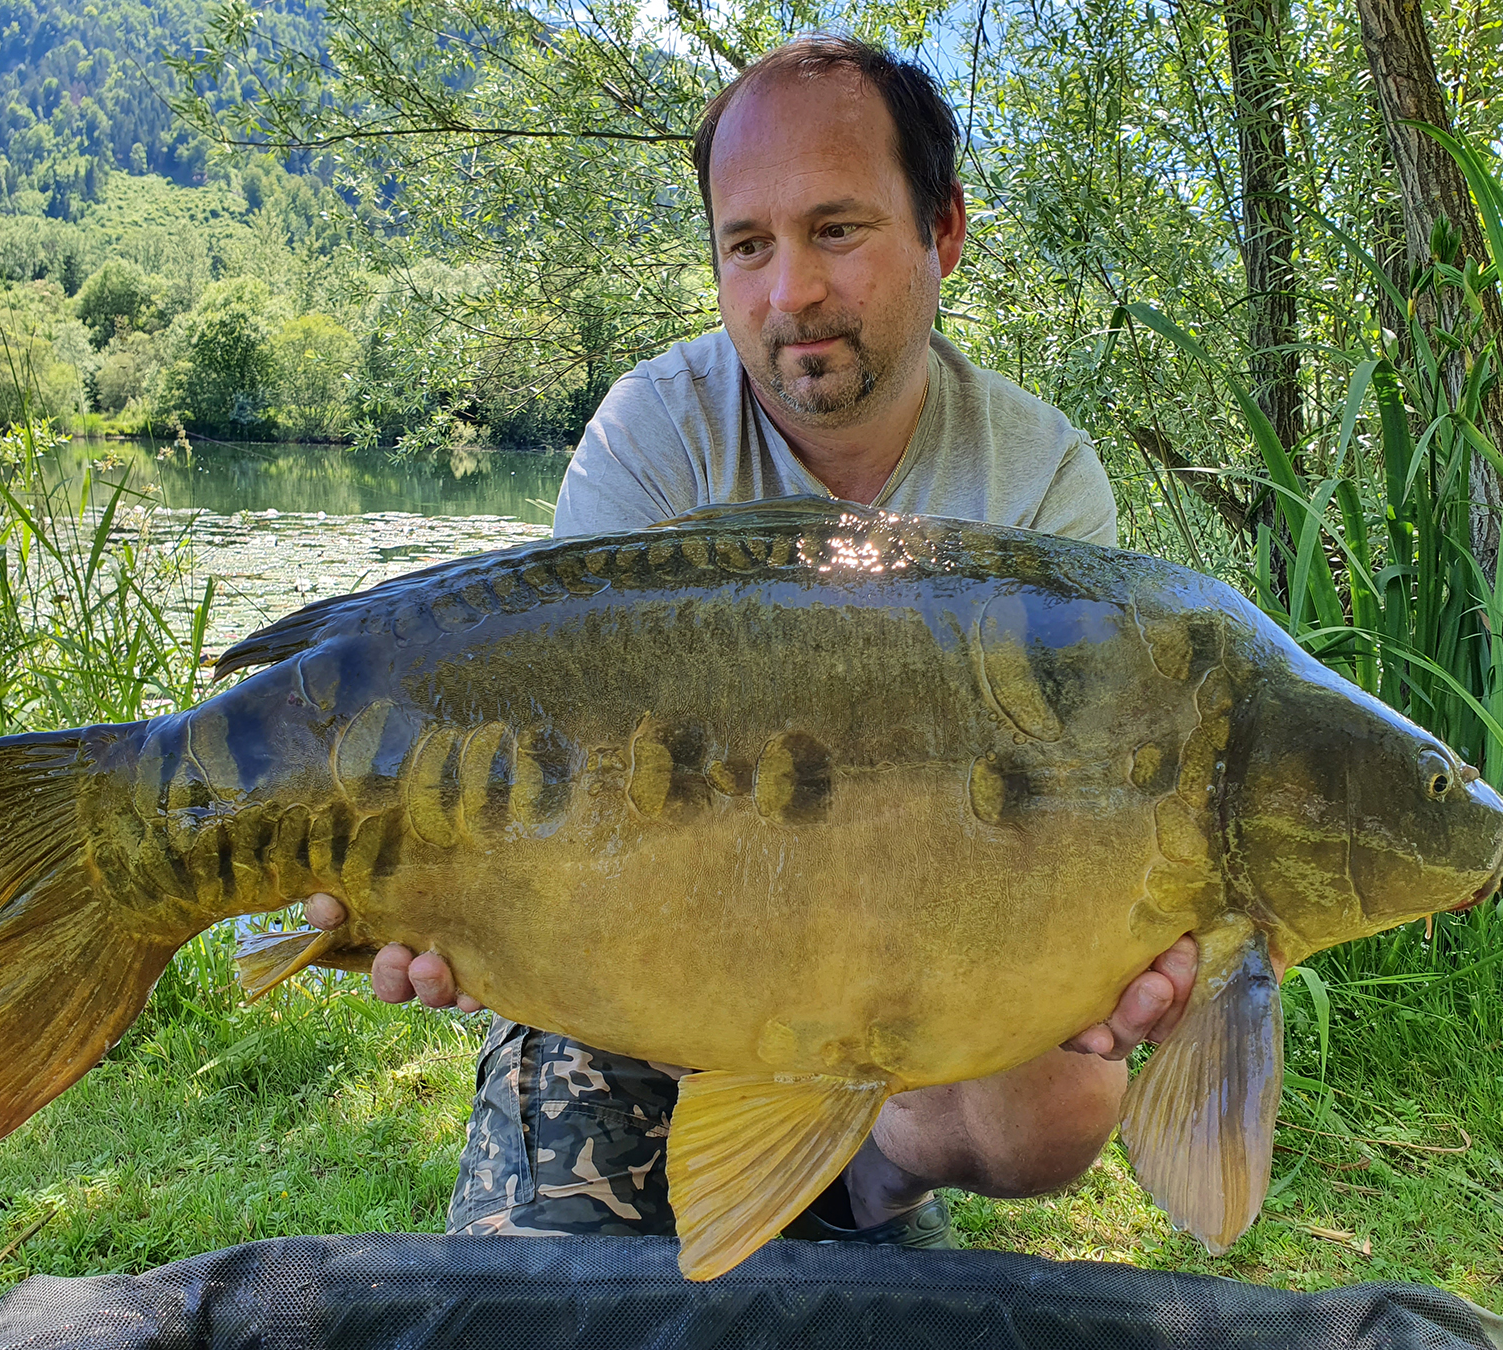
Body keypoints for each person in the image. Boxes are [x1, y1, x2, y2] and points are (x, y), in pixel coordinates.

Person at [305, 34, 1199, 1249]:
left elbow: (1070, 821)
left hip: (895, 1001)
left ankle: (857, 1196)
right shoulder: (649, 442)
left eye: (837, 231)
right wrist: (457, 900)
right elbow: (566, 787)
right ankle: (727, 1175)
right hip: (626, 986)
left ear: (943, 232)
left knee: (1061, 1100)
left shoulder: (1038, 485)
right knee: (548, 1311)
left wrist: (1095, 953)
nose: (790, 294)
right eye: (747, 245)